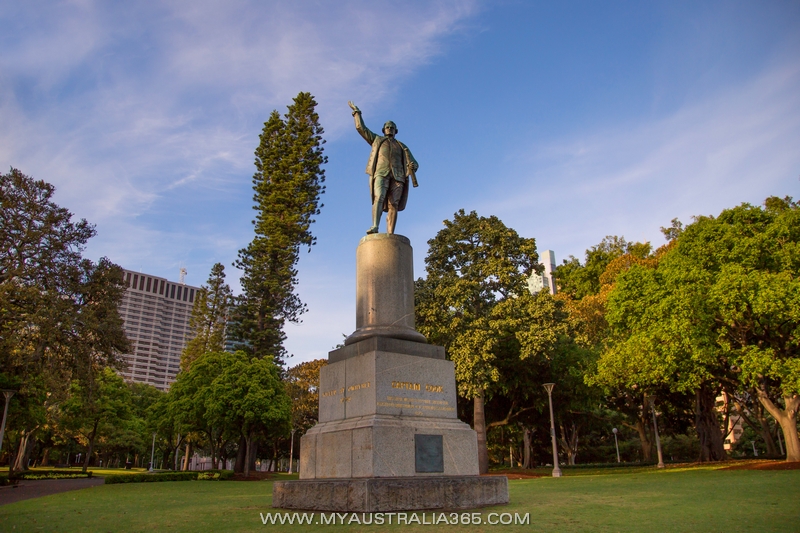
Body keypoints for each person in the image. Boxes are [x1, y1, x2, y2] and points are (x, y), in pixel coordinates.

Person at [349, 101, 418, 235]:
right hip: (381, 173)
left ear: (395, 130)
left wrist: (413, 166)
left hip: (398, 176)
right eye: (387, 126)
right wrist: (357, 112)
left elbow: (414, 162)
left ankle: (390, 233)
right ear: (383, 129)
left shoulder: (402, 146)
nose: (389, 128)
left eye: (392, 127)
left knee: (394, 205)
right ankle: (375, 226)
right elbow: (361, 128)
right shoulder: (377, 140)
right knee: (379, 197)